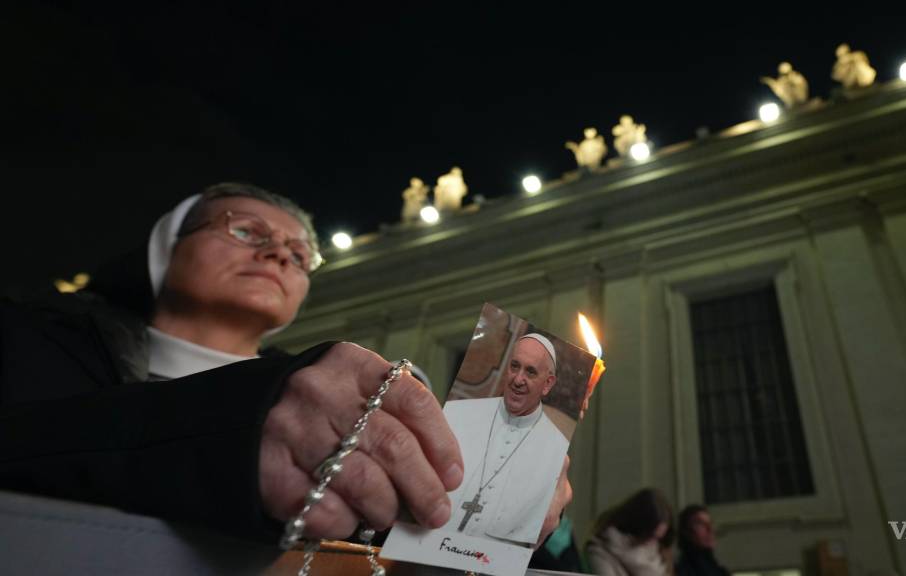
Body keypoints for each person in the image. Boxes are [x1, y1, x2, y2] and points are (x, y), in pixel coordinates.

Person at [0, 182, 570, 546]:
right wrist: (238, 425)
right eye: (245, 231)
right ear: (165, 248)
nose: (278, 253)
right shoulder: (28, 339)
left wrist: (496, 526)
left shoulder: (327, 390)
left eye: (300, 255)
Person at [443, 333, 571, 547]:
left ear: (548, 384)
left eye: (530, 372)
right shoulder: (458, 414)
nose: (518, 379)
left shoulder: (554, 446)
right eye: (514, 366)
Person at [586, 488, 675, 576]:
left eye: (658, 538)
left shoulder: (660, 553)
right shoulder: (601, 551)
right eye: (650, 536)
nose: (653, 543)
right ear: (637, 527)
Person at [674, 505, 728, 576]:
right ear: (686, 532)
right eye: (700, 524)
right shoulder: (684, 570)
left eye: (710, 523)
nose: (710, 529)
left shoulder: (714, 567)